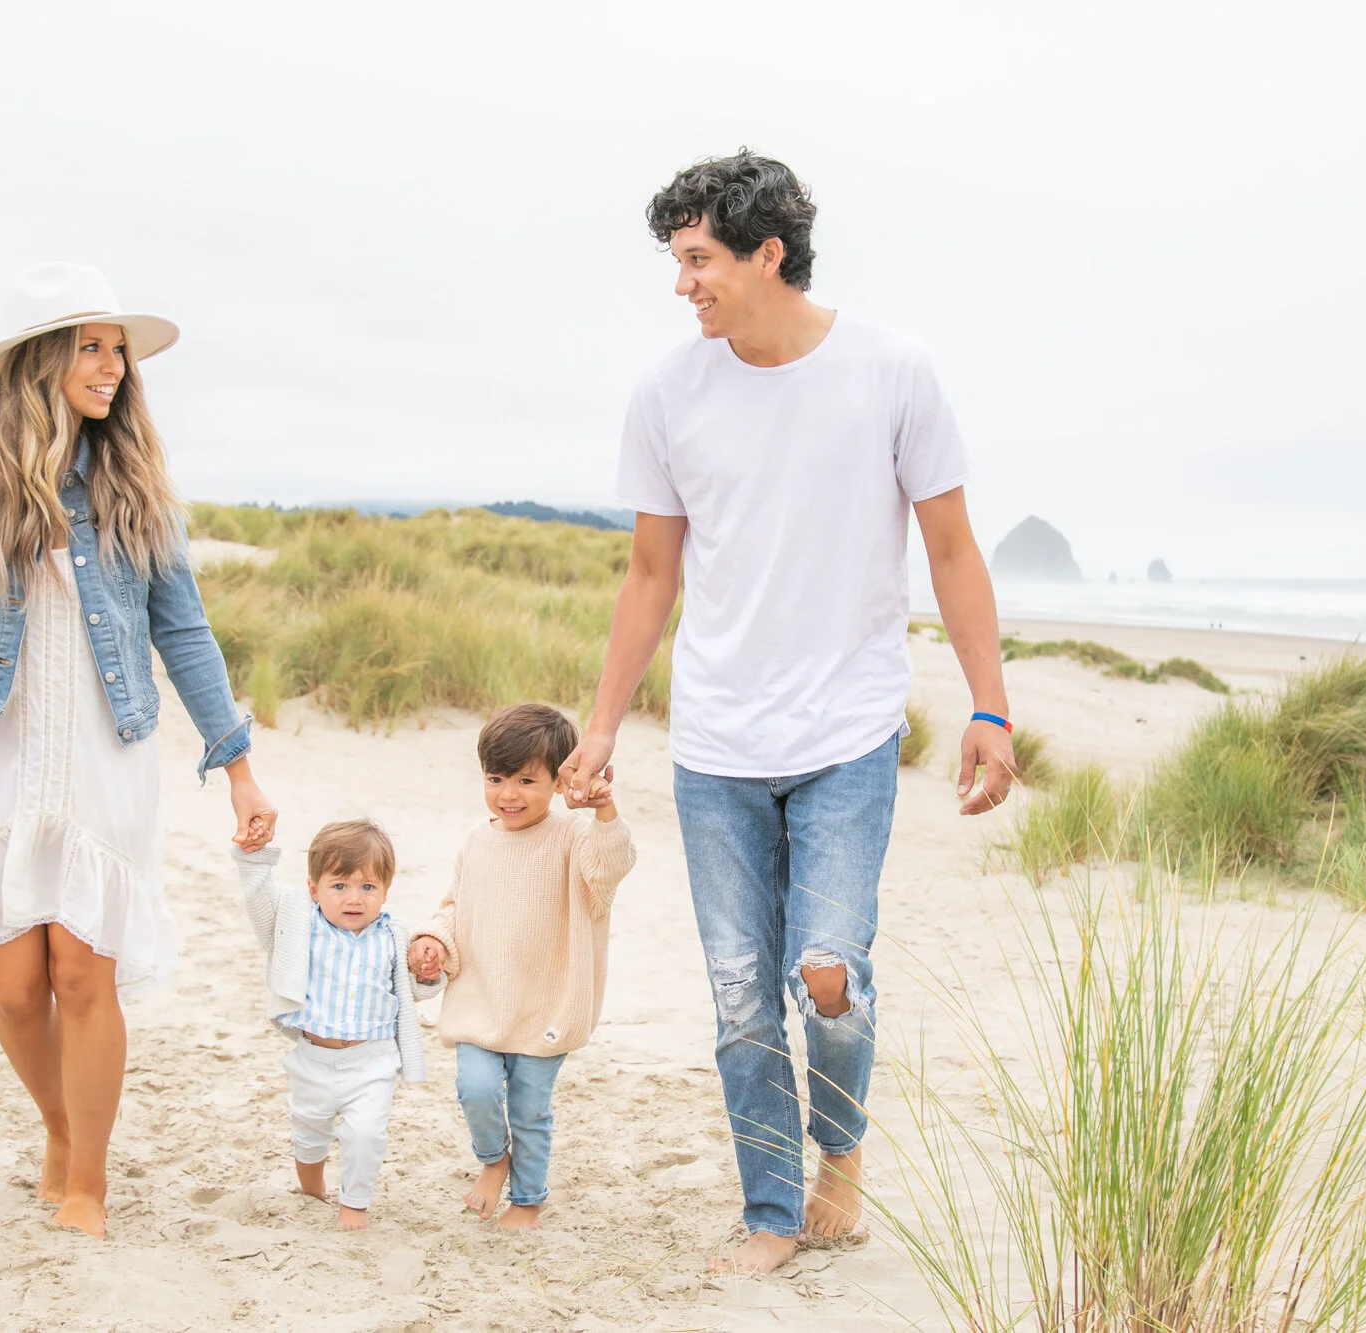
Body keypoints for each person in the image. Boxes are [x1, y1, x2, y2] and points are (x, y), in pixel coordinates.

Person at [557, 153, 1015, 1274]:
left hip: (846, 733)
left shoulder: (891, 372)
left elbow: (950, 549)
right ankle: (769, 1211)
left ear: (768, 254)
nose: (684, 286)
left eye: (699, 259)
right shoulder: (668, 394)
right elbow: (649, 575)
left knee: (826, 973)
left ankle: (838, 1157)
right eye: (676, 262)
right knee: (735, 992)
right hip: (714, 743)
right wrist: (605, 721)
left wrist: (989, 708)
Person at [0, 262, 279, 1239]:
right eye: (91, 345)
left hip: (101, 747)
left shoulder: (131, 482)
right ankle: (57, 1124)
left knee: (82, 971)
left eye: (117, 348)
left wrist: (236, 760)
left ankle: (87, 1179)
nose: (113, 365)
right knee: (11, 983)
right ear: (38, 361)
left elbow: (186, 631)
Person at [407, 704, 636, 1231]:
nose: (508, 794)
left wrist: (603, 811)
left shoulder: (574, 837)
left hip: (546, 1005)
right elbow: (454, 907)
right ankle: (494, 1161)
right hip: (481, 1000)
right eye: (496, 778)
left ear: (559, 782)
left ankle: (528, 1200)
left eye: (526, 781)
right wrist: (433, 941)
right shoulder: (476, 839)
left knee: (530, 1111)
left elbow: (610, 868)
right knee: (477, 1089)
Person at [233, 821, 439, 1230]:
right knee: (309, 1134)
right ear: (314, 889)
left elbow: (415, 989)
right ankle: (312, 1191)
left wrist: (428, 971)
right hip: (313, 1057)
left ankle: (354, 1207)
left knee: (365, 1135)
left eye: (368, 888)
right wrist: (254, 856)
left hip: (373, 1059)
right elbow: (259, 899)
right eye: (339, 885)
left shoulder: (394, 936)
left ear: (385, 890)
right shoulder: (297, 926)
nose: (354, 899)